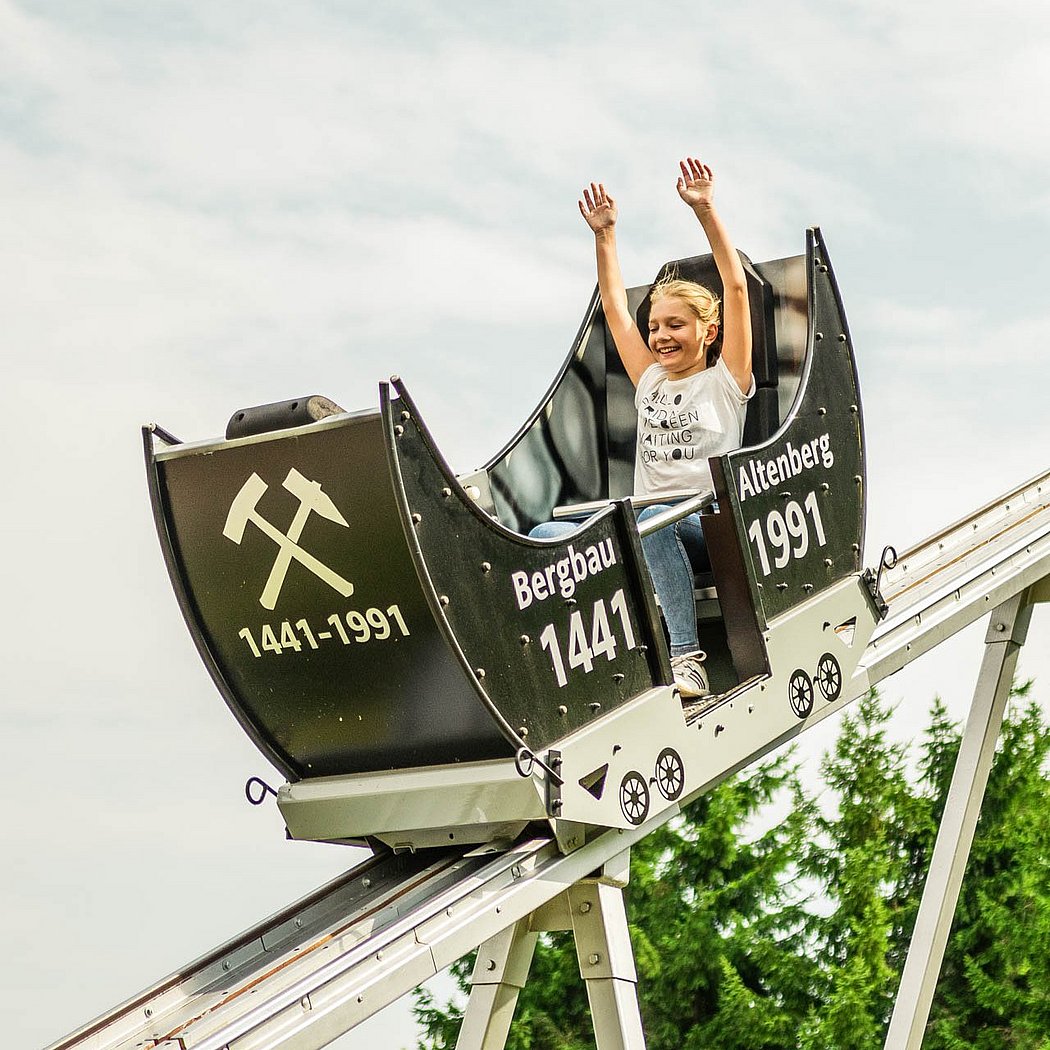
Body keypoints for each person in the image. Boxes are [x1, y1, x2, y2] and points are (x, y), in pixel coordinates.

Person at [531, 157, 754, 698]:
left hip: (704, 527)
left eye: (675, 325)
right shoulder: (650, 381)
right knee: (545, 538)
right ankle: (588, 662)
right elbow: (614, 310)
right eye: (655, 326)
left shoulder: (726, 381)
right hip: (644, 526)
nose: (660, 336)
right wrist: (606, 237)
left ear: (708, 331)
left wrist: (705, 210)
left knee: (655, 519)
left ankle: (686, 657)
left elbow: (737, 287)